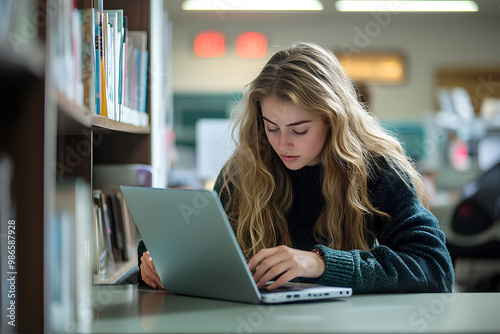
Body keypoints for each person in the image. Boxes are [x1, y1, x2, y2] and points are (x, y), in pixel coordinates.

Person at [138, 42, 455, 293]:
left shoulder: (377, 170)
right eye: (270, 127)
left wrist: (321, 264)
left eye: (299, 130)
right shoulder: (246, 168)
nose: (282, 143)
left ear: (332, 121)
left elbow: (435, 268)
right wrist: (158, 257)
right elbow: (204, 242)